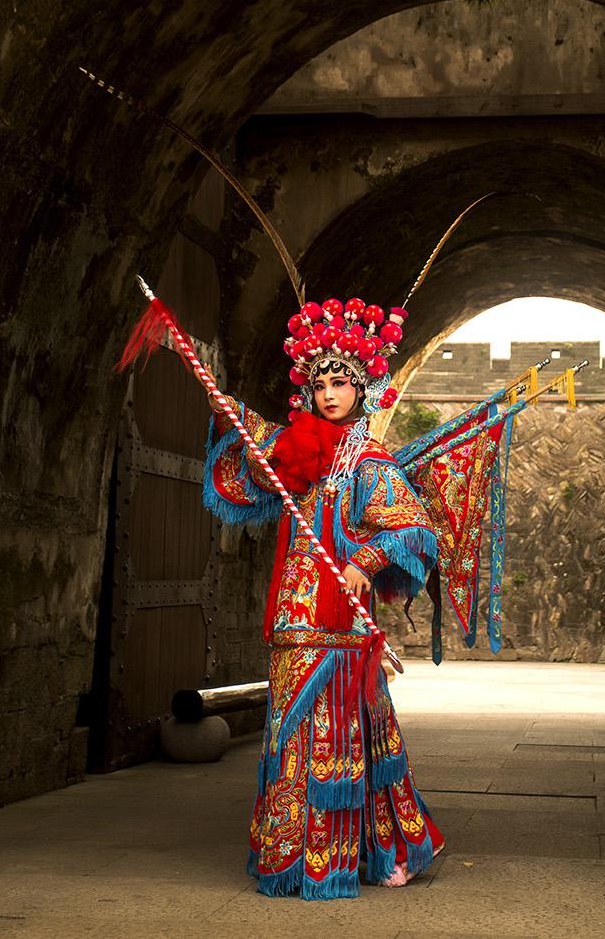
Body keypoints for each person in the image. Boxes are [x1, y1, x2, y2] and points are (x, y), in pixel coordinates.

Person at [201, 296, 445, 900]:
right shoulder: (300, 451)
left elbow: (413, 527)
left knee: (342, 735)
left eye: (340, 383)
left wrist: (365, 561)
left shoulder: (367, 461)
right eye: (319, 384)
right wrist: (230, 412)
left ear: (361, 389)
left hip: (339, 620)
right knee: (288, 739)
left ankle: (346, 858)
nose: (329, 394)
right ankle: (288, 854)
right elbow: (259, 455)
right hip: (293, 615)